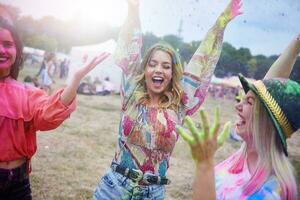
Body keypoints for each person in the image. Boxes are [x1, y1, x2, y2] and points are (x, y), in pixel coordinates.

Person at [93, 0, 242, 199]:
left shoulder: (181, 103)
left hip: (153, 193)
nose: (158, 70)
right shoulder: (131, 92)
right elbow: (131, 45)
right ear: (144, 69)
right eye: (152, 64)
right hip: (114, 189)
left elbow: (202, 60)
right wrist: (133, 10)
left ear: (172, 73)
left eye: (165, 66)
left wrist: (220, 24)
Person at [176, 33, 300, 200]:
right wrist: (297, 43)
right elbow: (271, 91)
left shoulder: (271, 192)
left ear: (268, 120)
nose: (237, 105)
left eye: (249, 102)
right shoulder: (249, 155)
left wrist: (204, 165)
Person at [0, 17, 110, 199]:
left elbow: (48, 116)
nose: (2, 50)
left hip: (19, 183)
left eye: (7, 44)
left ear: (17, 50)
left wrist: (75, 79)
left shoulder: (27, 93)